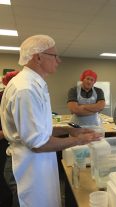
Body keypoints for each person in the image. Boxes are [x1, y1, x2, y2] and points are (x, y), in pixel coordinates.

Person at [0, 35, 102, 207]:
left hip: (36, 163)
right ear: (38, 57)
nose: (59, 60)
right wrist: (78, 140)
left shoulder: (34, 84)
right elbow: (38, 143)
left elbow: (40, 130)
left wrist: (68, 130)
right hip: (27, 167)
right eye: (54, 55)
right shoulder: (26, 89)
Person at [0, 71, 19, 207]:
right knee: (7, 184)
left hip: (11, 144)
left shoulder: (17, 98)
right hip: (3, 145)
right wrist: (7, 133)